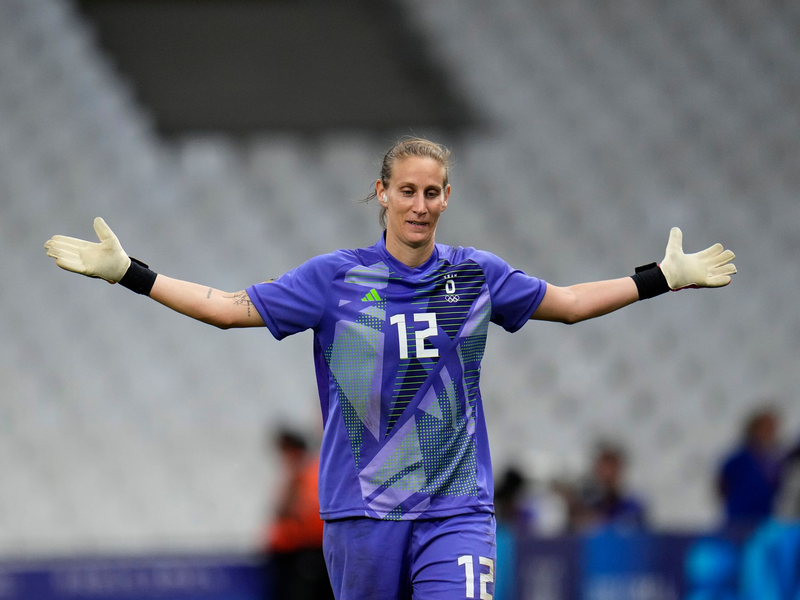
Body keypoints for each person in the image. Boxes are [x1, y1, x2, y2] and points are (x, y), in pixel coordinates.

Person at [44, 137, 736, 600]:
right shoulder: (333, 280)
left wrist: (661, 277)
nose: (420, 205)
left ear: (447, 196)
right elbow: (228, 309)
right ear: (381, 193)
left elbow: (571, 303)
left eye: (433, 192)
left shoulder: (476, 275)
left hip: (457, 508)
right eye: (406, 191)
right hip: (361, 514)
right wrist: (130, 274)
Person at [262, 428, 332, 600]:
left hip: (305, 551)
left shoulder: (309, 473)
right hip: (292, 551)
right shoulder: (298, 473)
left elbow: (298, 513)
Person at [717, 407, 782, 532]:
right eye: (766, 428)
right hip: (740, 520)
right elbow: (722, 482)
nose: (770, 432)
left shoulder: (774, 460)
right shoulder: (740, 457)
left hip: (764, 521)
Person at [571, 442, 647, 532]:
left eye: (613, 466)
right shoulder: (583, 506)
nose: (608, 473)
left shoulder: (633, 506)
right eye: (604, 467)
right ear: (595, 470)